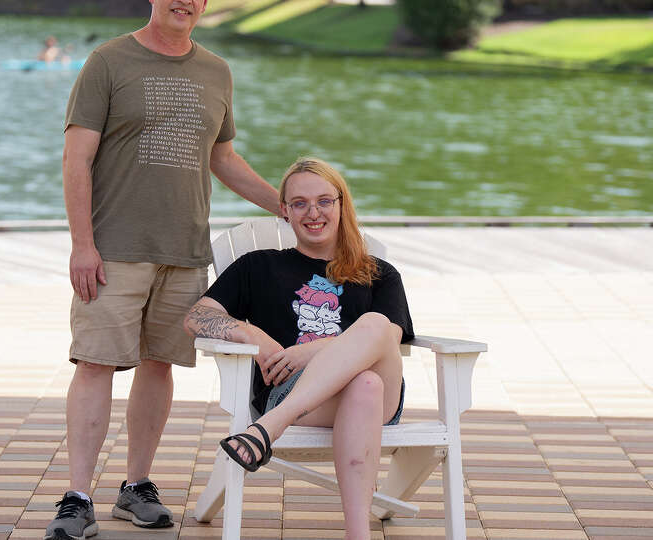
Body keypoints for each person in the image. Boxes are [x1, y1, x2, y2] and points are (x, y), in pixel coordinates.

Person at [45, 0, 280, 538]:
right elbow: (75, 157)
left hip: (184, 251)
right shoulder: (108, 61)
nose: (185, 1)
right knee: (95, 363)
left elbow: (222, 158)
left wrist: (284, 205)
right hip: (114, 250)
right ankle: (77, 496)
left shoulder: (216, 70)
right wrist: (83, 244)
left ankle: (136, 486)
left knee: (159, 365)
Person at [183, 157, 413, 540]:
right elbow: (196, 317)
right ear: (285, 211)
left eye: (325, 201)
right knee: (365, 387)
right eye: (300, 203)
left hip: (372, 397)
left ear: (342, 205)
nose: (313, 213)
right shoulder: (258, 266)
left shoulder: (378, 273)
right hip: (295, 393)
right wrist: (249, 334)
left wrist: (312, 351)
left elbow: (390, 338)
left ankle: (266, 431)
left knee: (376, 334)